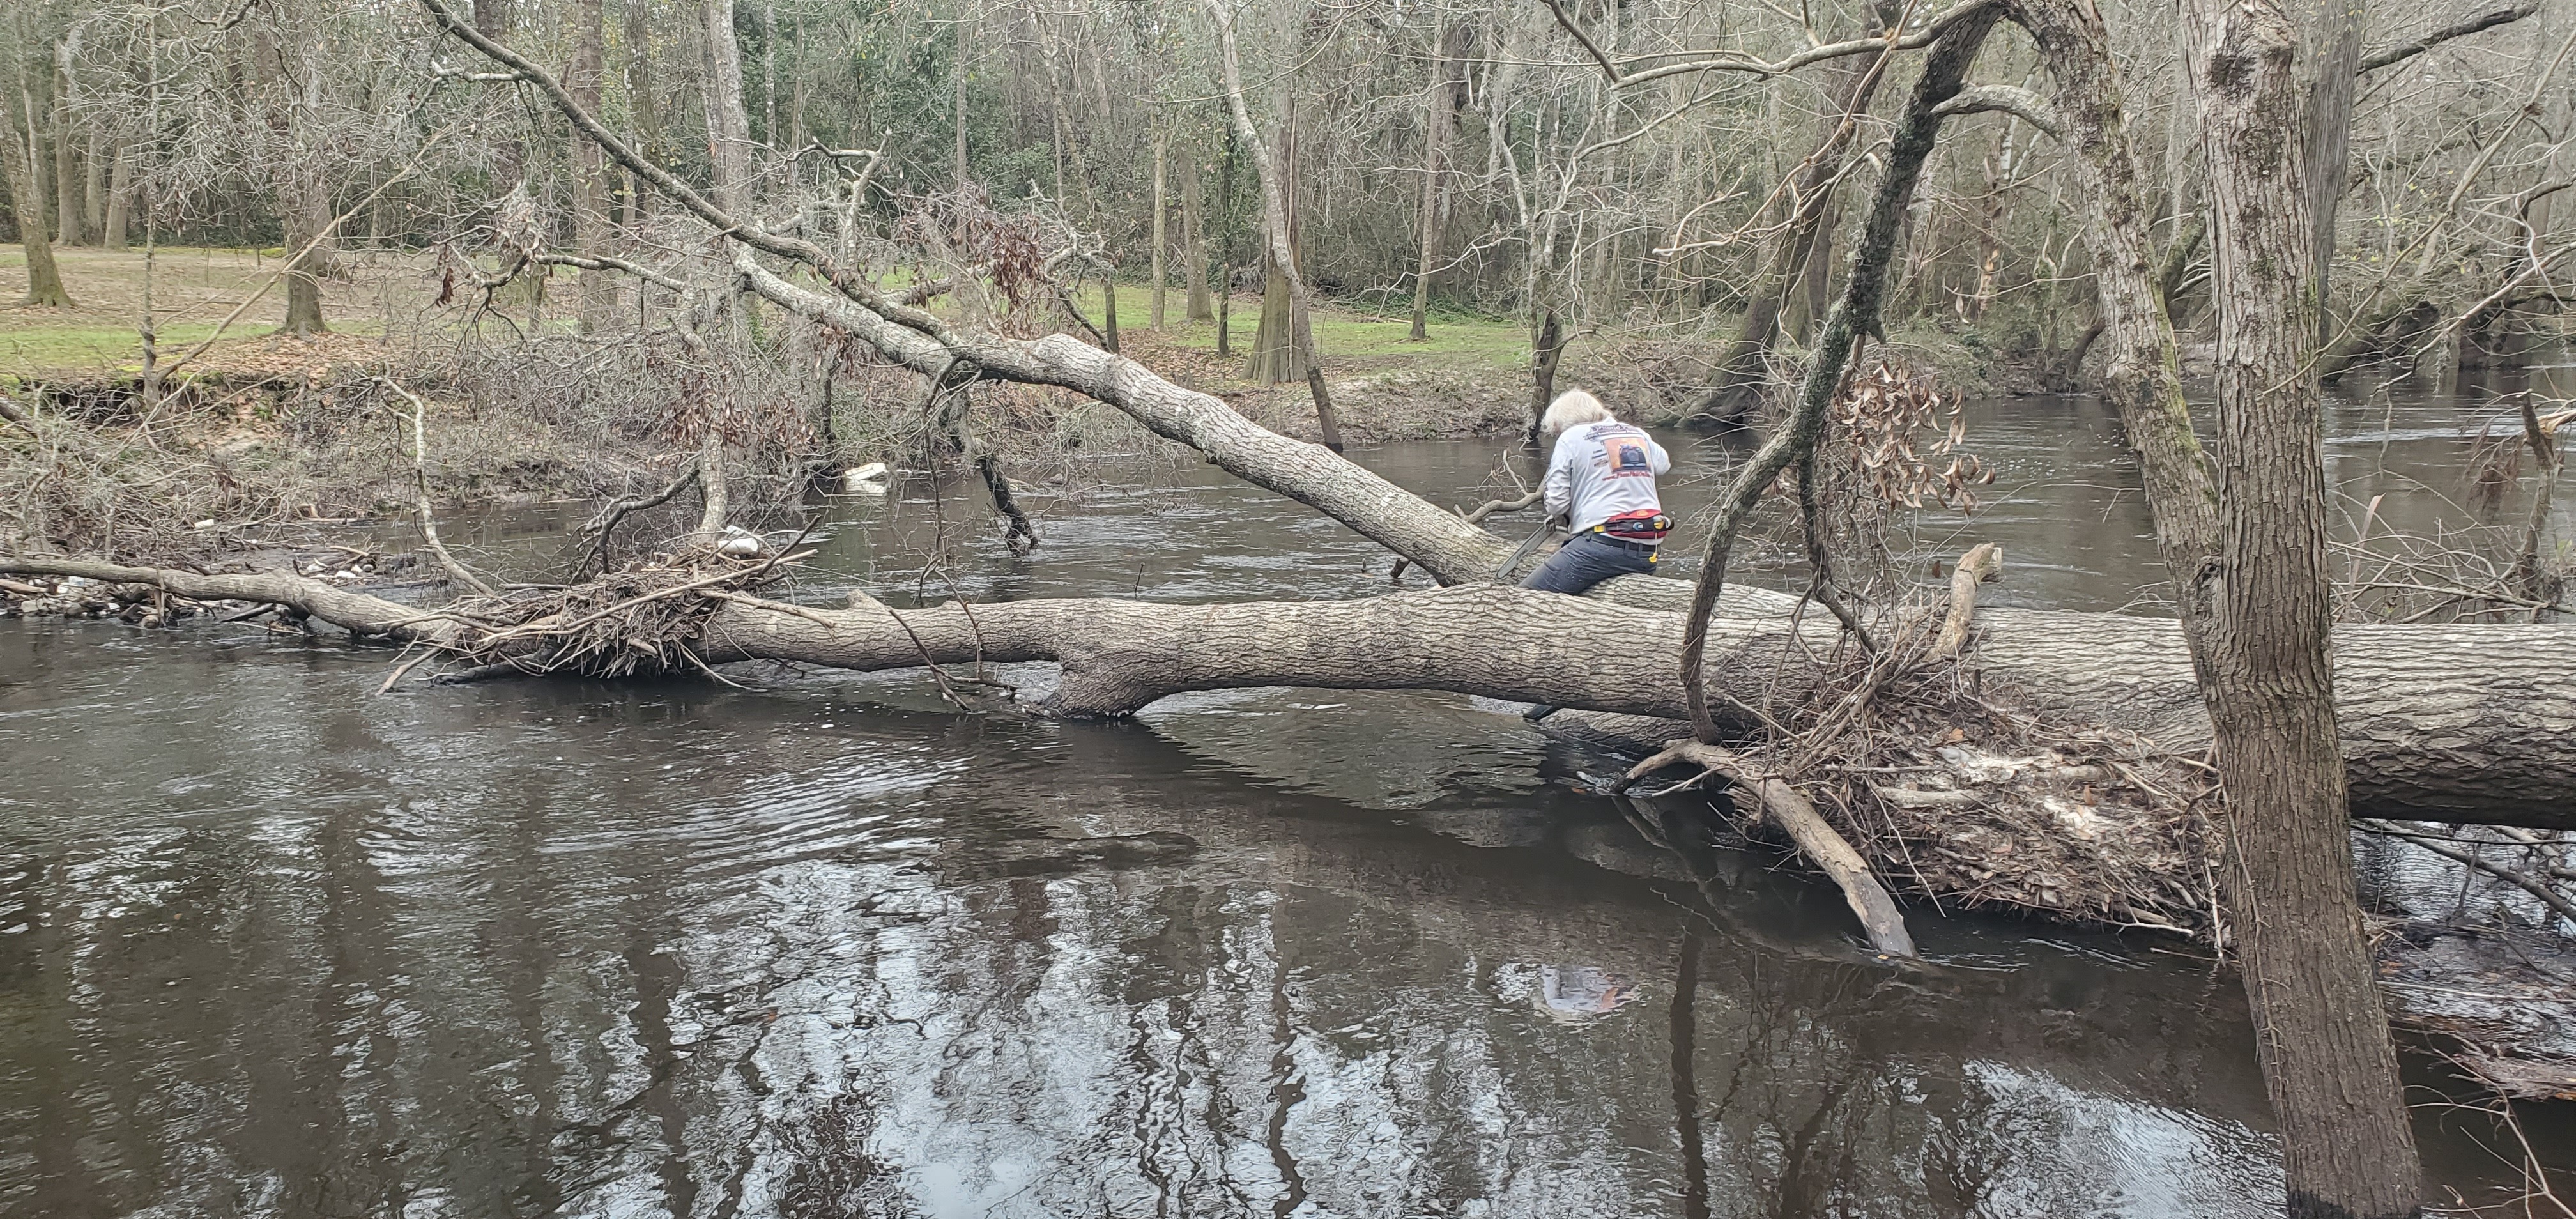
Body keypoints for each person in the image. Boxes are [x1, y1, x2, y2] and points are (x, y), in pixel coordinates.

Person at [1521, 389, 1673, 596]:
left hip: (1605, 547)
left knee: (1525, 596)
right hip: (1648, 550)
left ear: (1563, 423)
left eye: (1556, 430)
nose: (1557, 435)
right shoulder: (1636, 433)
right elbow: (1663, 464)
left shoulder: (1570, 438)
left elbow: (1556, 504)